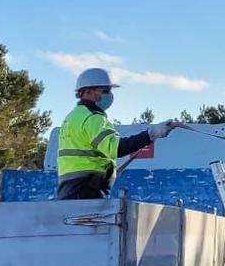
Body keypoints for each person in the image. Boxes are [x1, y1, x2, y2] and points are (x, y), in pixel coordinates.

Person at [56, 68, 173, 200]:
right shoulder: (93, 118)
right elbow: (117, 148)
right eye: (105, 91)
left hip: (69, 190)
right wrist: (151, 134)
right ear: (88, 92)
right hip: (87, 189)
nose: (110, 95)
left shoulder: (72, 117)